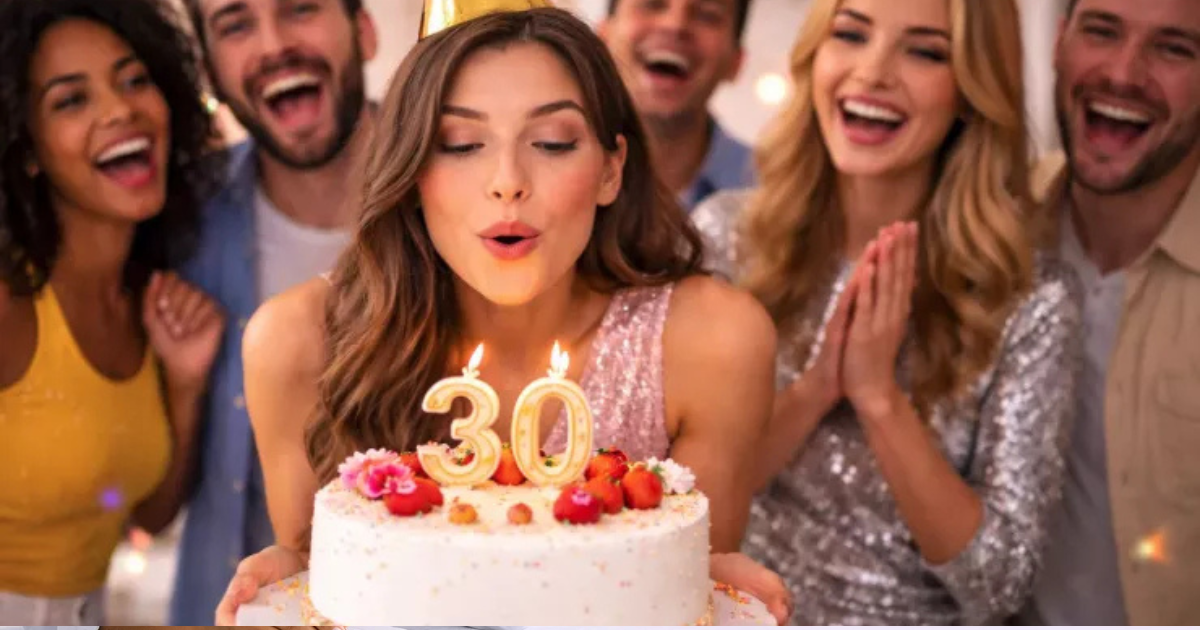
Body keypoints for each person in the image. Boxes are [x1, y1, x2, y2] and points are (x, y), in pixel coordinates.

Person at [212, 6, 789, 624]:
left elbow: (675, 593)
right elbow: (327, 595)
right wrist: (291, 575)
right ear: (411, 172)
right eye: (461, 145)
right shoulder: (300, 343)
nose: (508, 182)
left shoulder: (710, 343)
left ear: (610, 169)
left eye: (552, 143)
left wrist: (713, 586)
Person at [693, 0, 1081, 623]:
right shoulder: (726, 236)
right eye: (851, 34)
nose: (872, 73)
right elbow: (682, 511)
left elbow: (999, 584)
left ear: (971, 91)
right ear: (815, 53)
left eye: (924, 50)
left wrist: (879, 399)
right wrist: (817, 388)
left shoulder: (1030, 299)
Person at [0, 0, 224, 623]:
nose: (121, 109)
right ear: (28, 148)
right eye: (71, 100)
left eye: (134, 81)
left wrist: (184, 386)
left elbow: (147, 514)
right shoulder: (10, 304)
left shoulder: (146, 302)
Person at [169, 0, 379, 623]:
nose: (273, 45)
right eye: (235, 24)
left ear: (363, 31)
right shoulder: (177, 221)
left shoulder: (468, 197)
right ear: (209, 71)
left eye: (300, 8)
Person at [1021, 0, 1200, 625]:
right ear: (1059, 43)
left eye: (1174, 48)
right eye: (1101, 31)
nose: (1124, 73)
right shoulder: (990, 231)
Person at [598, 0, 754, 210]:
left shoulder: (779, 194)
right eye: (652, 4)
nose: (675, 25)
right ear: (602, 35)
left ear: (737, 63)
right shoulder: (546, 173)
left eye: (707, 14)